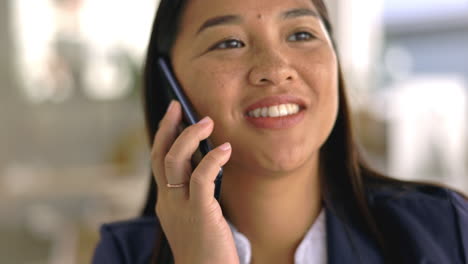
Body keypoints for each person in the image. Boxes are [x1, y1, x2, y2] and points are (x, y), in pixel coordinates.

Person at [92, 0, 468, 263]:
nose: (275, 67)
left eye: (301, 34)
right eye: (229, 42)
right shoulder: (124, 255)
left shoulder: (445, 230)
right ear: (170, 84)